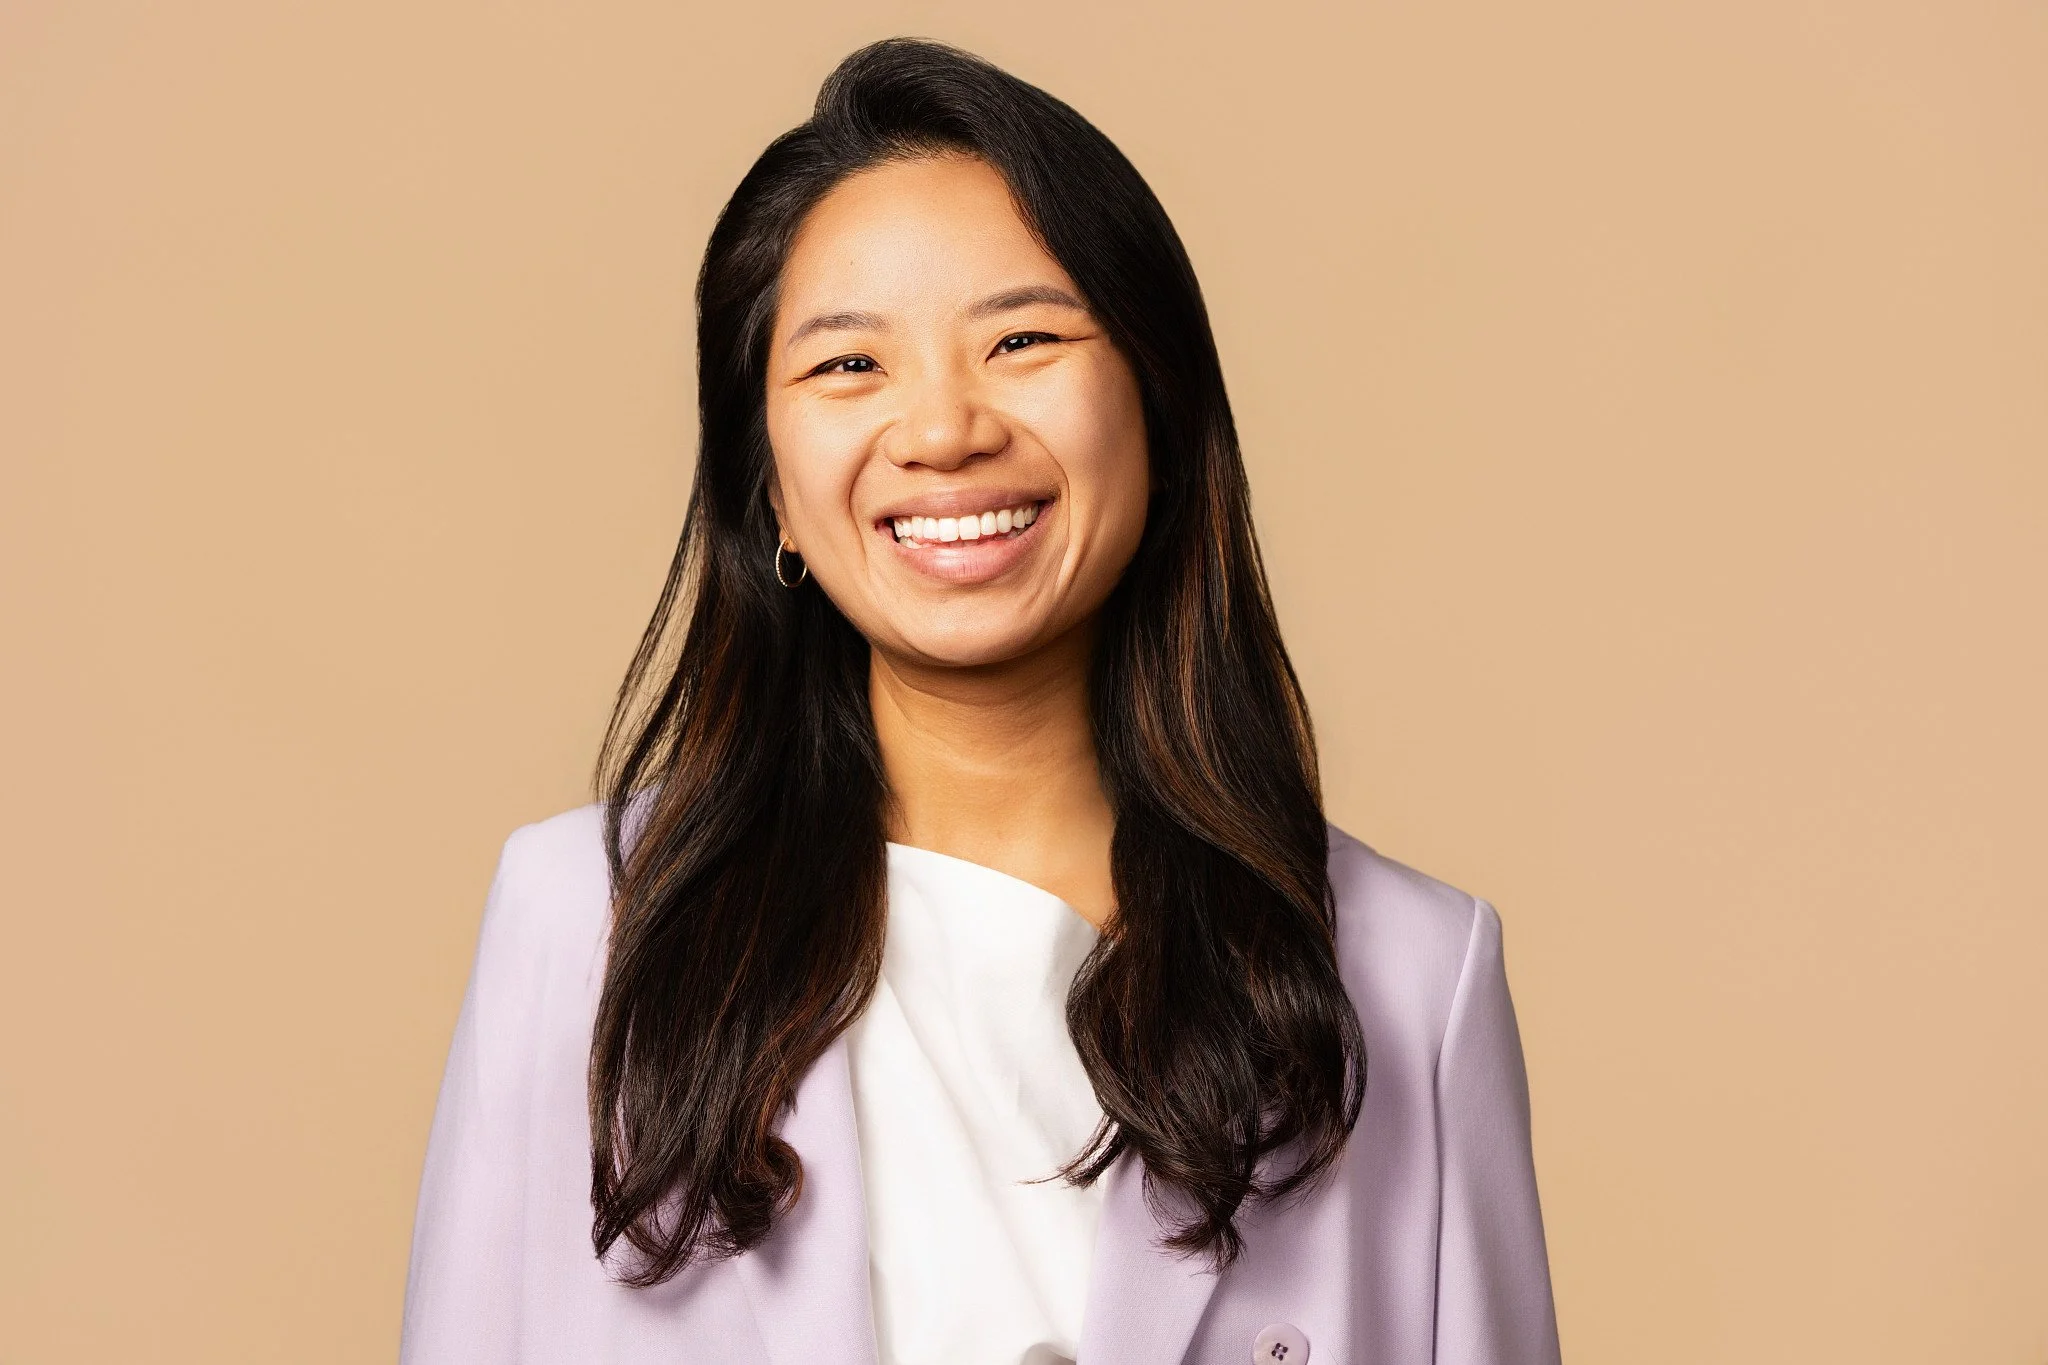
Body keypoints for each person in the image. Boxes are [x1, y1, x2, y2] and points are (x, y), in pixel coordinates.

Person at [400, 37, 1562, 1365]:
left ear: (1159, 408)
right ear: (766, 478)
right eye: (849, 365)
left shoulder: (1407, 977)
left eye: (1023, 340)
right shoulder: (587, 925)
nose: (945, 430)